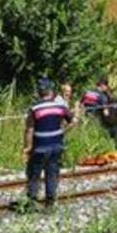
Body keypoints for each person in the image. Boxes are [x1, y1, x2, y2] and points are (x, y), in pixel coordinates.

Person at [24, 78, 72, 208]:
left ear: (39, 92)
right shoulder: (60, 107)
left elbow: (29, 130)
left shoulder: (34, 109)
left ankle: (32, 202)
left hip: (39, 147)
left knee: (34, 174)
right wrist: (62, 132)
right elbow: (72, 120)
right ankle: (50, 203)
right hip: (56, 146)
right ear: (52, 91)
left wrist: (27, 148)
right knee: (52, 173)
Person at [83, 77, 117, 146]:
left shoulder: (88, 92)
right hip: (96, 120)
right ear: (103, 85)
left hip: (86, 120)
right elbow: (105, 112)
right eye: (106, 87)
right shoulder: (102, 96)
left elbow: (80, 104)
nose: (106, 89)